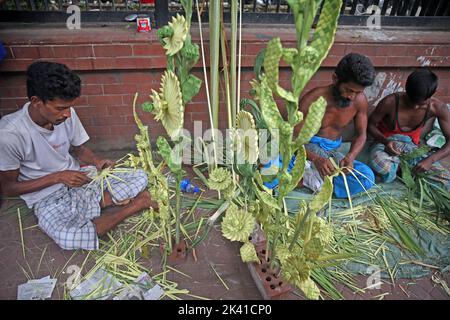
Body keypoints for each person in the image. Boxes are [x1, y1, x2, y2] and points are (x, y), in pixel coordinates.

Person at [0, 61, 156, 250]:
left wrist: (98, 162)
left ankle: (92, 206)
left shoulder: (67, 114)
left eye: (69, 107)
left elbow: (80, 150)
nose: (67, 114)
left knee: (139, 176)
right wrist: (57, 177)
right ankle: (135, 205)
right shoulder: (10, 134)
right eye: (60, 108)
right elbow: (9, 188)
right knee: (69, 239)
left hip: (80, 178)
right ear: (36, 102)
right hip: (47, 197)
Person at [295, 53, 376, 198]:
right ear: (335, 79)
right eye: (349, 90)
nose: (351, 96)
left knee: (366, 177)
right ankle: (313, 179)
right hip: (307, 150)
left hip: (333, 153)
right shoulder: (313, 99)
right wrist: (315, 159)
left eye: (358, 92)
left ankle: (313, 182)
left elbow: (361, 134)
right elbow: (293, 140)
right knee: (269, 167)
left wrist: (351, 156)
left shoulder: (359, 101)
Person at [368, 68, 450, 190]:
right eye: (411, 101)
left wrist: (430, 160)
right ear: (406, 89)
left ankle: (403, 170)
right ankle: (405, 171)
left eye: (421, 103)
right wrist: (385, 141)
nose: (415, 106)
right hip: (386, 147)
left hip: (412, 148)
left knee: (445, 178)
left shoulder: (438, 108)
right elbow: (370, 125)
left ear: (432, 93)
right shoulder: (390, 102)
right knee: (379, 163)